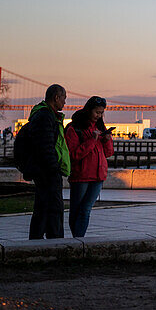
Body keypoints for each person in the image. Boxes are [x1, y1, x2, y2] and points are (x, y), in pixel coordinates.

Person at [64, 96, 114, 238]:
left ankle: (79, 239)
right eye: (96, 112)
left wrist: (107, 140)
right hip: (81, 176)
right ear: (88, 110)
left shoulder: (99, 127)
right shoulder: (75, 129)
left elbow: (109, 153)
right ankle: (78, 239)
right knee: (77, 209)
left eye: (101, 113)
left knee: (86, 209)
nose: (99, 116)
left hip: (98, 176)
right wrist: (92, 140)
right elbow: (73, 155)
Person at [28, 84, 70, 240]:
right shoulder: (45, 116)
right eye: (64, 98)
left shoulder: (44, 115)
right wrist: (54, 168)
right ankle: (53, 241)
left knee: (45, 207)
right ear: (56, 97)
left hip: (44, 170)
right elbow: (45, 146)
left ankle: (42, 239)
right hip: (47, 171)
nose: (65, 103)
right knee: (52, 208)